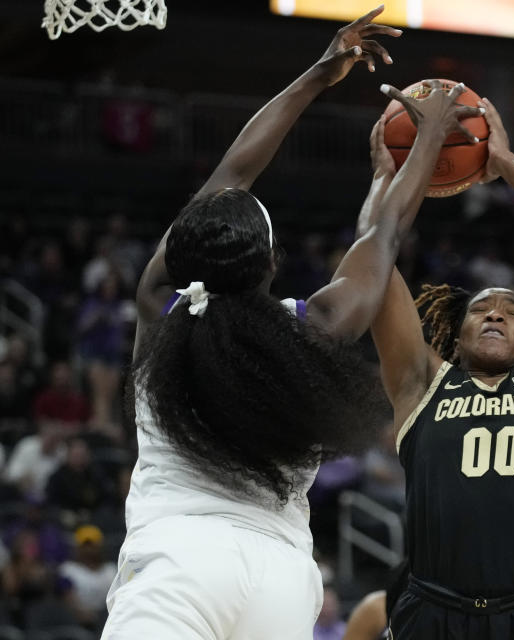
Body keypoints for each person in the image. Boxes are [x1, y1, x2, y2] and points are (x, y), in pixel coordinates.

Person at [100, 8, 481, 638]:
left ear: (183, 250)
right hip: (280, 578)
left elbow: (232, 174)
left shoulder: (161, 303)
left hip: (177, 561)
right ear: (270, 265)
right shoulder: (315, 326)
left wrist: (316, 75)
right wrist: (420, 152)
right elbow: (383, 236)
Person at [369, 96, 514, 639]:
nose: (495, 312)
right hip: (429, 610)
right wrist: (392, 173)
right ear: (455, 331)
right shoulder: (421, 382)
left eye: (512, 311)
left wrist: (507, 163)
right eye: (481, 309)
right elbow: (375, 250)